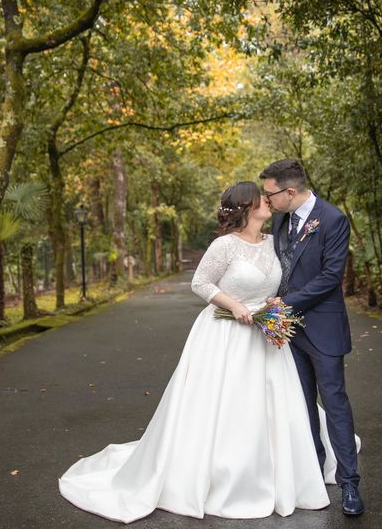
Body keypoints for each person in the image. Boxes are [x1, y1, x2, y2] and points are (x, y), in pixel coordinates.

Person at [58, 181, 335, 523]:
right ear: (246, 208)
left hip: (264, 334)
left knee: (270, 404)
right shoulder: (224, 246)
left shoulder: (273, 241)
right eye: (260, 198)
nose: (267, 200)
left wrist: (272, 307)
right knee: (224, 405)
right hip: (225, 335)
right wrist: (234, 305)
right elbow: (200, 283)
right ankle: (219, 475)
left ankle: (276, 471)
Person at [260, 159, 365, 516]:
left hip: (323, 328)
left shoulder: (333, 219)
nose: (267, 199)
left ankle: (350, 484)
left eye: (270, 193)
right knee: (301, 406)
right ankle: (315, 474)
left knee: (334, 404)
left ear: (290, 191)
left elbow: (330, 276)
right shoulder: (279, 220)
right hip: (287, 333)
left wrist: (282, 305)